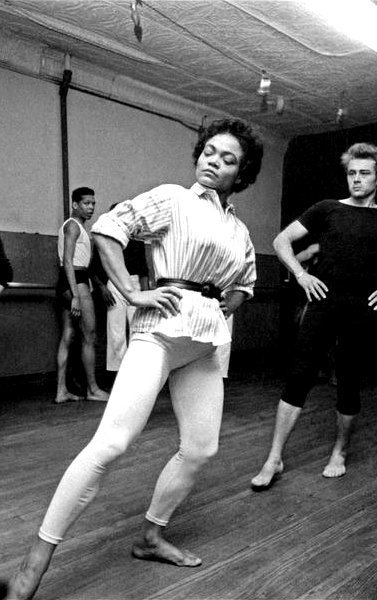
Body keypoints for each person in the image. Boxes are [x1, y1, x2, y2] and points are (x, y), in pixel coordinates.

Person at [4, 118, 263, 600]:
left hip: (205, 344)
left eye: (228, 159)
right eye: (209, 151)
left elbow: (246, 281)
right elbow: (108, 230)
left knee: (201, 449)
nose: (214, 161)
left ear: (241, 175)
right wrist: (130, 291)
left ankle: (150, 536)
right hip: (160, 335)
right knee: (111, 444)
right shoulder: (173, 198)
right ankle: (31, 567)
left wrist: (232, 301)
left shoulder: (239, 229)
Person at [251, 142, 377, 490]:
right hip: (323, 302)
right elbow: (282, 241)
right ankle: (274, 458)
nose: (356, 180)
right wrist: (301, 274)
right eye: (352, 173)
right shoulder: (326, 209)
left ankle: (339, 453)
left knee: (348, 380)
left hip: (364, 308)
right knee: (299, 376)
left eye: (364, 173)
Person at [53, 187, 109, 404]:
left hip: (73, 281)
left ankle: (61, 391)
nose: (91, 207)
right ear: (75, 204)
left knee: (68, 336)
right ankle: (93, 389)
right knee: (89, 336)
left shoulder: (81, 229)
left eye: (93, 203)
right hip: (74, 281)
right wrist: (76, 294)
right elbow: (68, 260)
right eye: (86, 203)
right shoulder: (73, 226)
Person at [92, 204, 150, 375]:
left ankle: (137, 371)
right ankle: (117, 373)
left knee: (138, 329)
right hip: (114, 283)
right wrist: (102, 287)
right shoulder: (106, 240)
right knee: (116, 331)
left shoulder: (137, 241)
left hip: (135, 283)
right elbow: (93, 268)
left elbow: (144, 270)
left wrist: (146, 295)